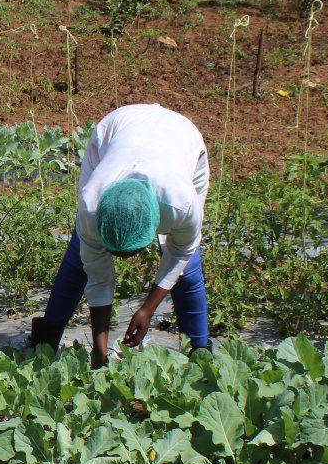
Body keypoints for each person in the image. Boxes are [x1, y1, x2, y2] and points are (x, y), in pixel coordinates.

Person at [29, 103, 211, 366]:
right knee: (80, 256)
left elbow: (181, 250)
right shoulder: (92, 204)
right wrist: (99, 350)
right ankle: (45, 343)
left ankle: (200, 353)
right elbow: (98, 277)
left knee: (188, 269)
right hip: (116, 128)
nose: (123, 260)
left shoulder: (180, 204)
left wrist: (148, 309)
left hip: (182, 137)